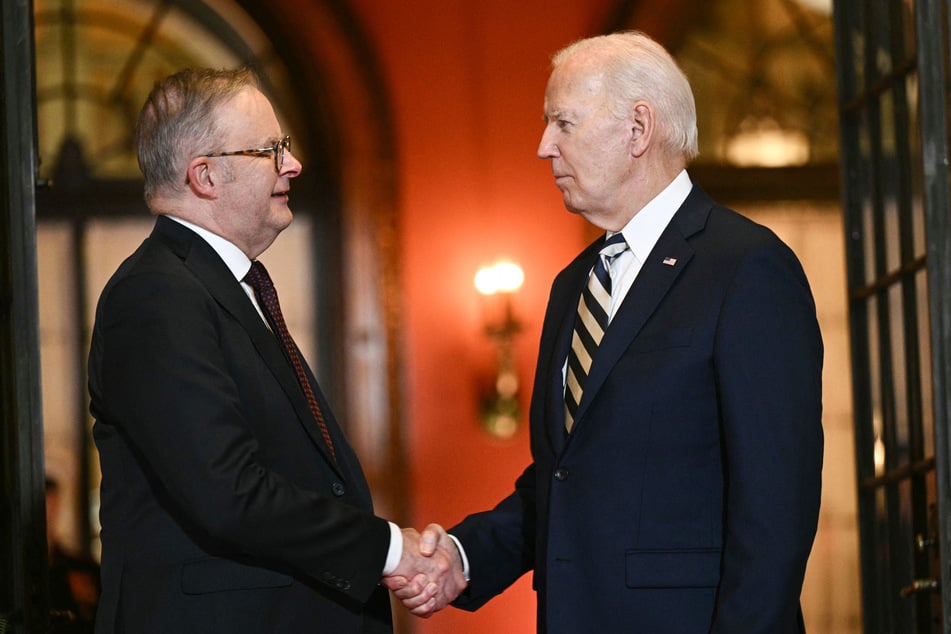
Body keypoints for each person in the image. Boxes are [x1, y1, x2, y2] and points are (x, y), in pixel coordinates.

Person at [395, 31, 824, 633]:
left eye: (562, 123)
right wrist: (462, 558)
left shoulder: (746, 267)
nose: (543, 146)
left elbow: (776, 504)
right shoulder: (574, 283)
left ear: (637, 129)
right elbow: (567, 481)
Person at [87, 67, 464, 634]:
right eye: (270, 150)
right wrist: (391, 550)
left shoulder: (218, 285)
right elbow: (228, 491)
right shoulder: (156, 293)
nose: (293, 165)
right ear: (206, 175)